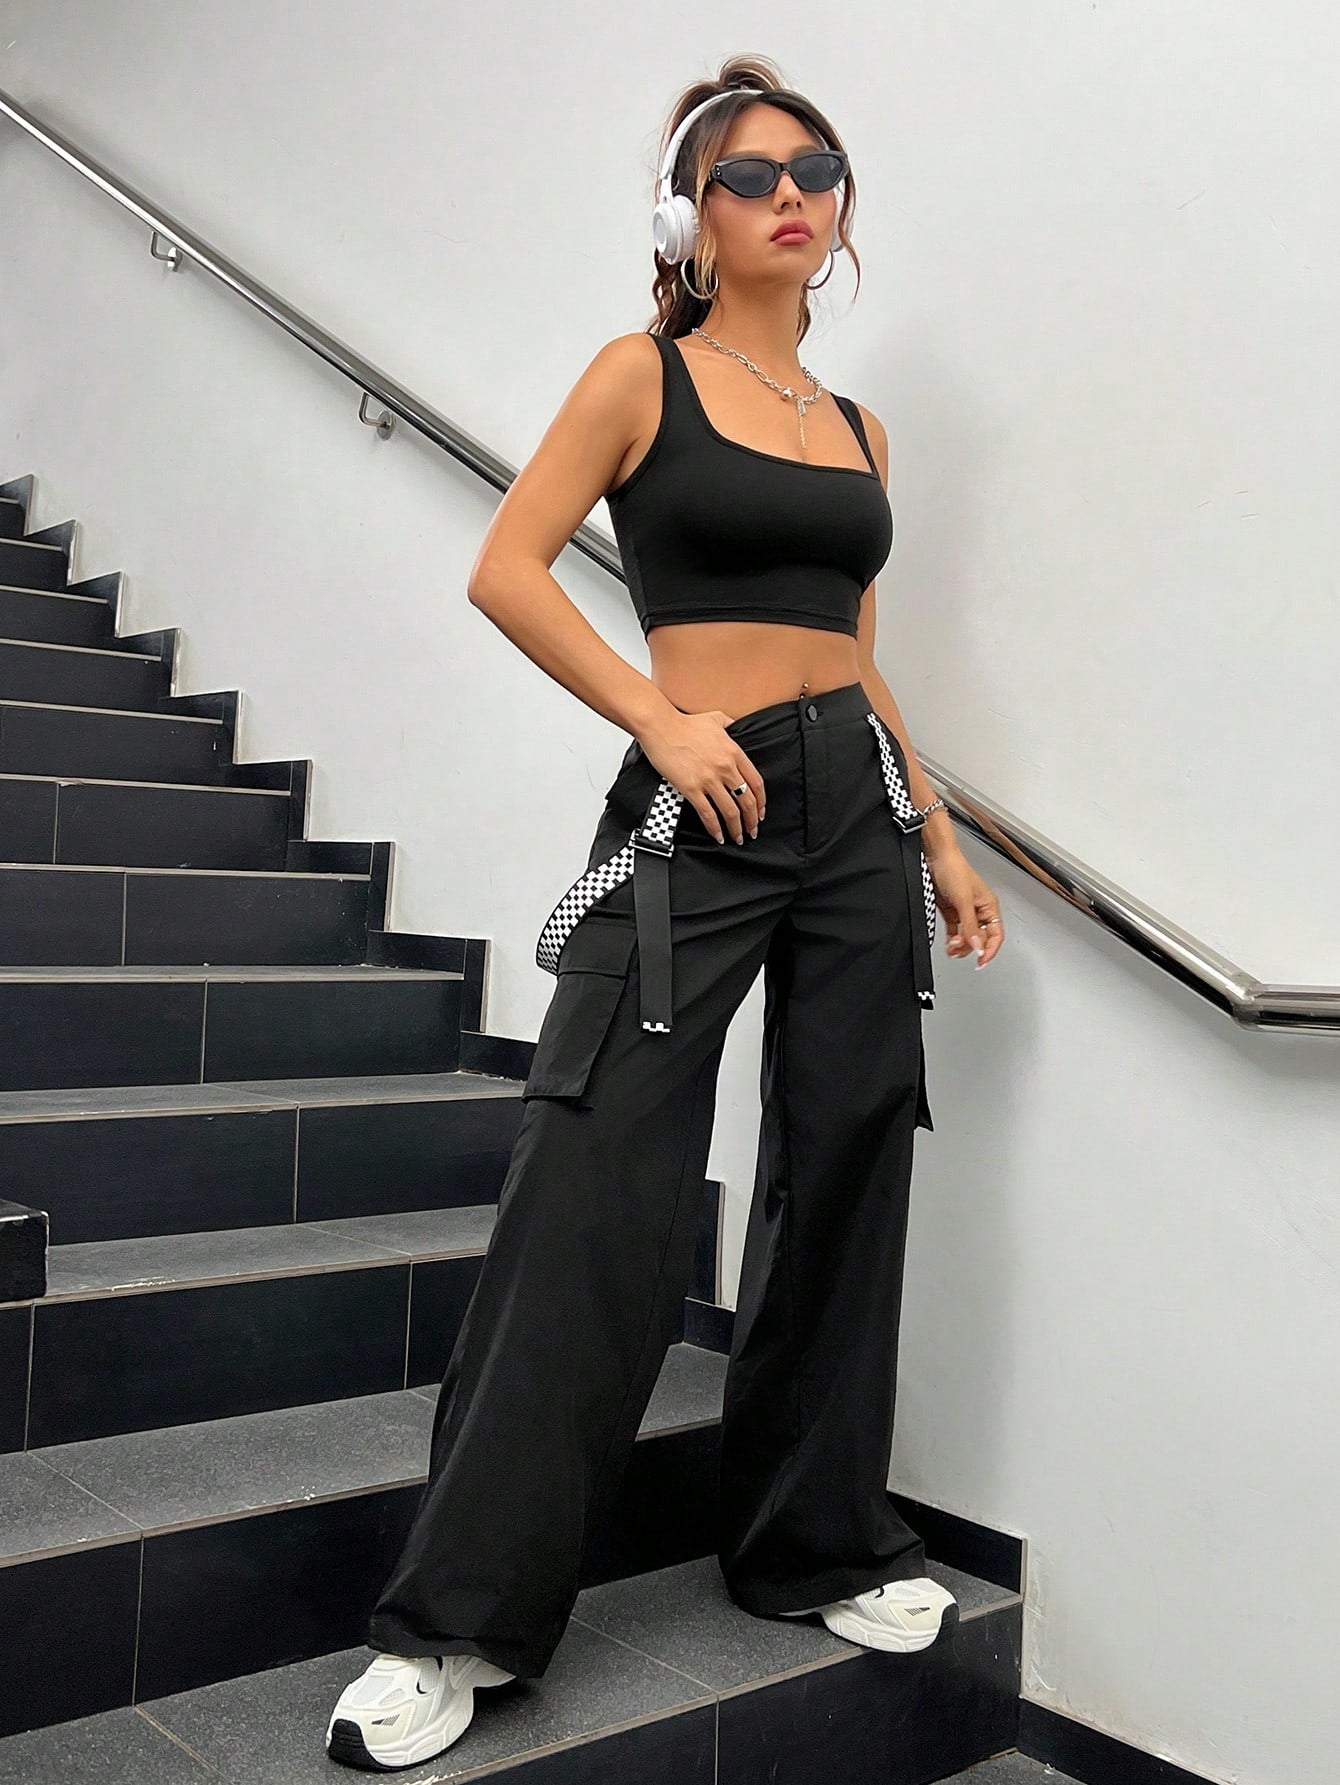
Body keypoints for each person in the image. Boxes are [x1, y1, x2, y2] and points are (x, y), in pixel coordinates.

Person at [326, 53, 1005, 1772]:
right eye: (747, 173)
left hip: (856, 807)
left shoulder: (859, 429)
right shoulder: (644, 375)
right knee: (598, 1170)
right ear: (685, 214)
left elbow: (856, 653)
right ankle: (458, 1618)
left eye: (815, 169)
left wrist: (935, 834)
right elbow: (508, 564)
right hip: (701, 793)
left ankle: (814, 1544)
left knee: (848, 1155)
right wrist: (659, 718)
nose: (789, 194)